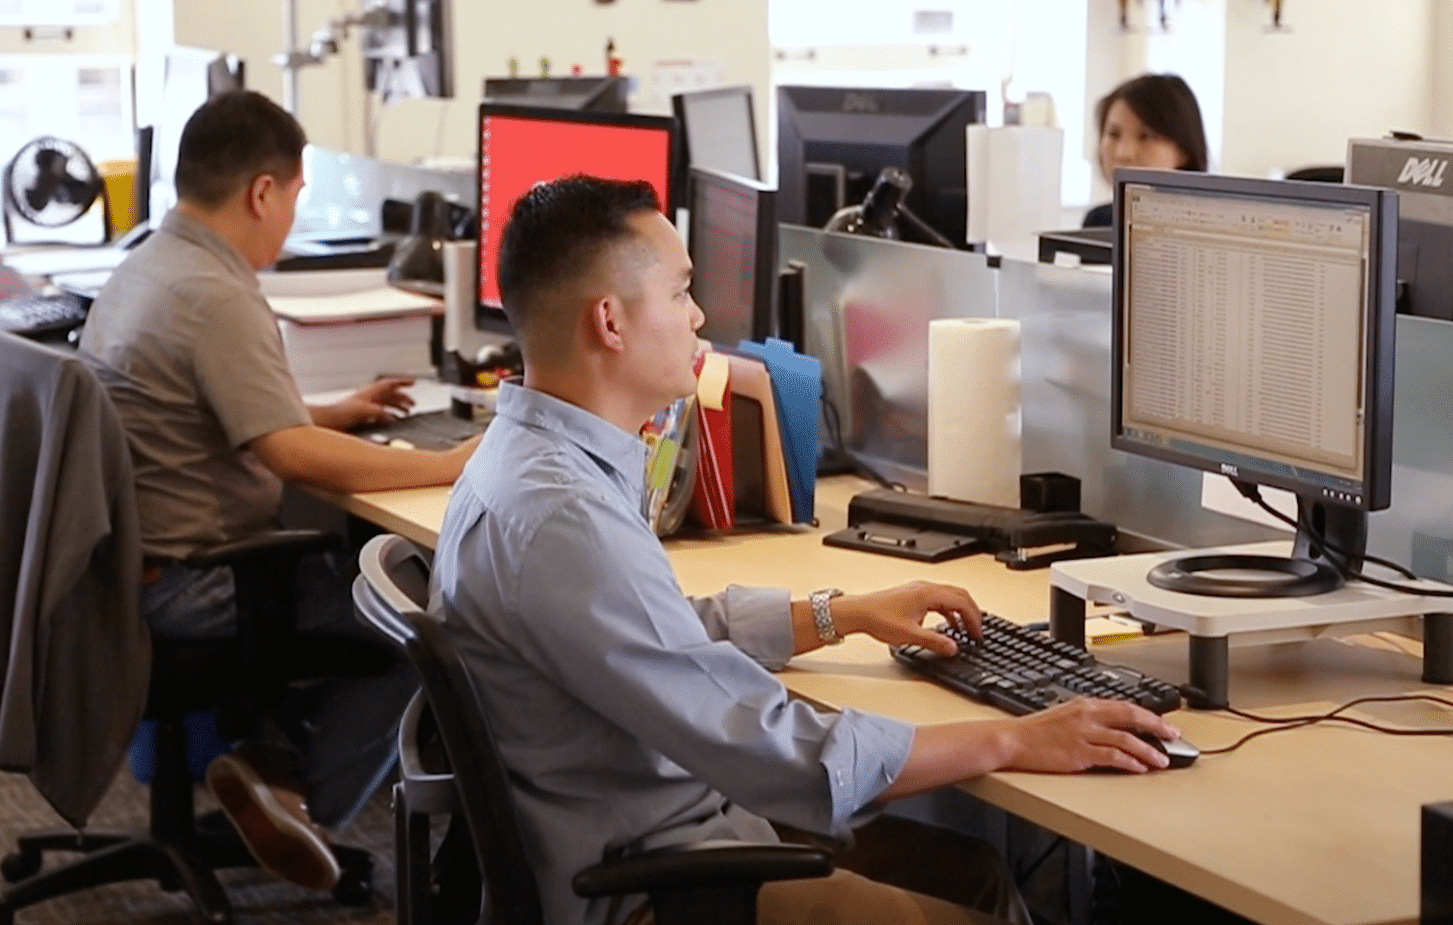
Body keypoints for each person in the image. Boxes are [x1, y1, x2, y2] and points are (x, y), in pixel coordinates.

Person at [431, 174, 1182, 925]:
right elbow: (778, 749)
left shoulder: (529, 462)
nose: (696, 316)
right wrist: (1014, 736)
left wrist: (839, 613)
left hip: (656, 835)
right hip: (652, 887)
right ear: (610, 321)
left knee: (976, 873)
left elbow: (658, 633)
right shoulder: (563, 517)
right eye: (678, 293)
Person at [79, 90, 477, 894]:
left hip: (132, 570)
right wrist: (454, 462)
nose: (290, 219)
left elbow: (214, 413)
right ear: (263, 192)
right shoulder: (218, 294)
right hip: (198, 584)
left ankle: (272, 765)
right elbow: (291, 457)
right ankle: (299, 802)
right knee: (436, 619)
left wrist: (332, 412)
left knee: (378, 571)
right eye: (294, 199)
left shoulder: (152, 264)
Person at [1083, 73, 1208, 228]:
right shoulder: (1098, 221)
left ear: (1184, 151)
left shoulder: (1208, 225)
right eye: (1113, 134)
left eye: (1146, 136)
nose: (1124, 154)